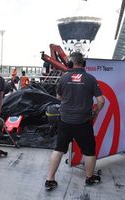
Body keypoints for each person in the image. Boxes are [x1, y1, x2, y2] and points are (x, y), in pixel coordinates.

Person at [45, 52, 105, 190]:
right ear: (83, 64)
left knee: (59, 149)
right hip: (83, 121)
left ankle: (50, 180)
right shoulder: (90, 78)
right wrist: (95, 112)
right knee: (89, 151)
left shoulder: (64, 78)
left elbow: (58, 98)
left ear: (70, 64)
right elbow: (101, 101)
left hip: (65, 120)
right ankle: (89, 178)